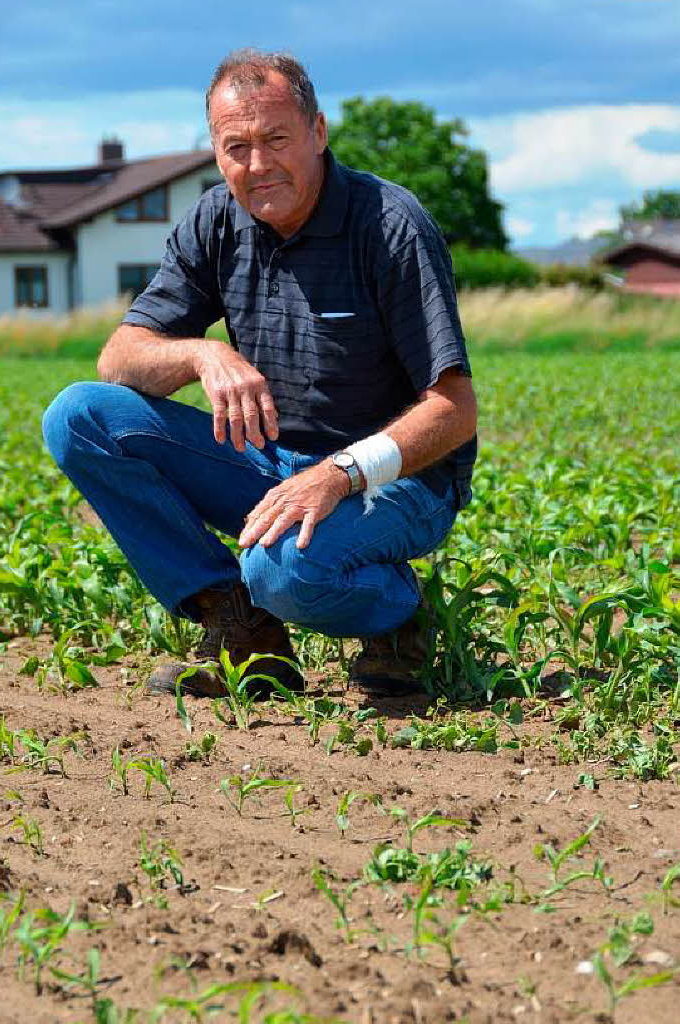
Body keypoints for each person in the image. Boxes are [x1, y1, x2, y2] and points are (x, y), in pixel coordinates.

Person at [42, 49, 478, 699]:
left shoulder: (388, 224)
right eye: (235, 146)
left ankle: (397, 610)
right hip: (272, 463)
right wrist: (201, 354)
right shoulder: (216, 220)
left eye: (276, 139)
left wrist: (338, 475)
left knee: (284, 572)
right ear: (215, 152)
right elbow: (120, 356)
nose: (257, 165)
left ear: (318, 133)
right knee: (80, 416)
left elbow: (453, 409)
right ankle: (241, 625)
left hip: (396, 480)